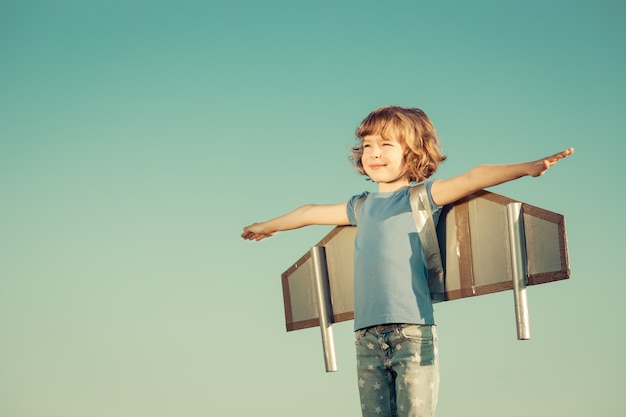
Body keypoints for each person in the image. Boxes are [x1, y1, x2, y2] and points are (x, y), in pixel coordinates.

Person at [241, 106, 573, 417]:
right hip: (365, 337)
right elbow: (309, 212)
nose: (374, 153)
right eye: (368, 144)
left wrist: (528, 168)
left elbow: (474, 177)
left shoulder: (421, 197)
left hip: (411, 332)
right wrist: (267, 226)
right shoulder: (360, 206)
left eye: (386, 144)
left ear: (411, 152)